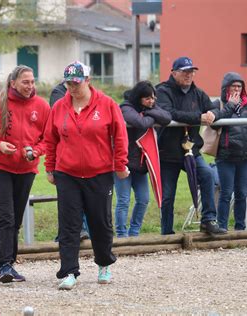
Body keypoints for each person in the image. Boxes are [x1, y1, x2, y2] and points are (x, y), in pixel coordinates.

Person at [44, 61, 129, 290]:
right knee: (69, 225)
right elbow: (50, 139)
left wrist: (120, 164)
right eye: (68, 83)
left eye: (76, 83)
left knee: (100, 222)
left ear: (88, 81)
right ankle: (69, 271)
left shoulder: (107, 104)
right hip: (67, 173)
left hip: (99, 172)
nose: (72, 87)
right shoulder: (60, 107)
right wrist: (49, 166)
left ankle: (104, 264)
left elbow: (120, 136)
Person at [0, 65, 50, 283]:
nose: (30, 86)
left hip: (26, 170)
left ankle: (10, 264)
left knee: (15, 218)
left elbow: (48, 139)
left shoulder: (42, 106)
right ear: (13, 83)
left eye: (32, 82)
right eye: (25, 82)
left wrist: (35, 152)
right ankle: (3, 265)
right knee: (5, 216)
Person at [155, 56, 226, 235]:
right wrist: (198, 117)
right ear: (174, 73)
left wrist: (211, 113)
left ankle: (208, 221)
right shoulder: (162, 91)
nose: (189, 75)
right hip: (168, 152)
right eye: (185, 71)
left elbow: (215, 109)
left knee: (208, 175)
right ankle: (166, 232)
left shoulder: (198, 93)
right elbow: (169, 112)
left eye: (191, 71)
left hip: (191, 150)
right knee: (168, 195)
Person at [115, 81, 171, 238]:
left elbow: (166, 117)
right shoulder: (125, 107)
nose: (151, 101)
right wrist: (151, 115)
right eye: (147, 98)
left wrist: (148, 112)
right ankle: (121, 235)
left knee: (144, 199)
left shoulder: (149, 109)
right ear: (138, 97)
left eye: (153, 98)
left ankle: (134, 233)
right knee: (123, 201)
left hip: (140, 164)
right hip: (123, 162)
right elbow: (140, 123)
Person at [49, 81, 90, 241]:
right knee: (69, 201)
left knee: (85, 199)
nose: (75, 87)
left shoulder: (92, 95)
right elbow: (59, 122)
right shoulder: (58, 94)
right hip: (66, 158)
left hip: (86, 157)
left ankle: (82, 232)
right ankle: (71, 233)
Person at [214, 72, 247, 231]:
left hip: (245, 156)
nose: (237, 89)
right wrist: (230, 105)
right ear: (226, 88)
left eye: (239, 86)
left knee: (242, 193)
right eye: (233, 86)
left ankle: (240, 228)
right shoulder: (218, 104)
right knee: (226, 193)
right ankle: (222, 227)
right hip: (226, 156)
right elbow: (214, 124)